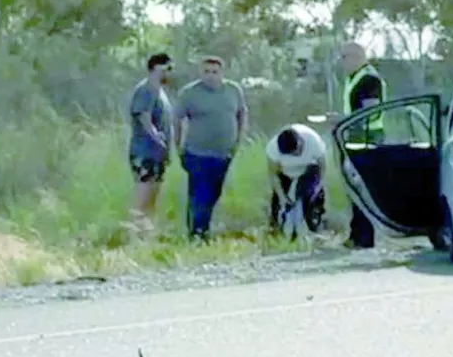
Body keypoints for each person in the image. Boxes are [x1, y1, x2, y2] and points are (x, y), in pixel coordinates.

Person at [173, 56, 248, 240]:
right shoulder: (190, 93)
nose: (211, 76)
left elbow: (242, 113)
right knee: (200, 194)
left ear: (221, 73)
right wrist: (178, 145)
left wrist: (239, 140)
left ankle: (202, 229)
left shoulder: (233, 90)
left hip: (224, 153)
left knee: (214, 193)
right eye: (206, 72)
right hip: (197, 152)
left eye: (215, 72)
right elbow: (177, 119)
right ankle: (197, 234)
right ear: (200, 72)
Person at [336, 41, 387, 250]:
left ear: (358, 57)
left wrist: (342, 120)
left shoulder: (369, 80)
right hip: (355, 138)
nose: (342, 62)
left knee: (362, 188)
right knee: (354, 189)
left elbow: (370, 112)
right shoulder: (354, 78)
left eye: (345, 57)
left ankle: (365, 238)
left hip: (367, 139)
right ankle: (356, 235)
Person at [127, 52, 174, 229]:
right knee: (142, 194)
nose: (170, 73)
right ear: (156, 68)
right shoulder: (145, 89)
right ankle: (134, 233)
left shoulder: (160, 92)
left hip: (158, 155)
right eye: (168, 68)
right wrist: (156, 137)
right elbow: (144, 117)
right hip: (144, 152)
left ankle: (147, 233)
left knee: (154, 196)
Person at [265, 123, 328, 239]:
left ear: (300, 142)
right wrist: (282, 197)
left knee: (309, 199)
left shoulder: (313, 141)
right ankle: (277, 232)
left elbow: (323, 167)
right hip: (285, 171)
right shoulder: (273, 148)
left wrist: (318, 188)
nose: (295, 155)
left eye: (296, 152)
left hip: (309, 168)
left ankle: (316, 229)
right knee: (279, 205)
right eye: (291, 154)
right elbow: (273, 175)